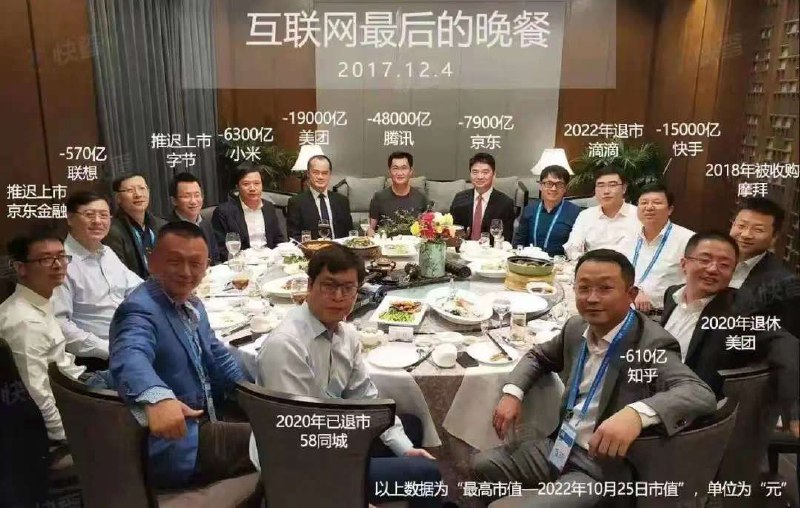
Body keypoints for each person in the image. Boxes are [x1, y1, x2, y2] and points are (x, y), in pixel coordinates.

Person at [471, 249, 716, 506]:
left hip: (601, 467)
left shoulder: (651, 344)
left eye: (605, 288)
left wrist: (635, 414)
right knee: (482, 465)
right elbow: (538, 356)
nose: (592, 298)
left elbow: (698, 392)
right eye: (584, 288)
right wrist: (513, 392)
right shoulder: (576, 327)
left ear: (631, 294)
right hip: (561, 446)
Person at [253, 244, 442, 507]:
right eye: (329, 286)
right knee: (426, 474)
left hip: (333, 436)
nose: (338, 297)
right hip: (299, 465)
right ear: (310, 285)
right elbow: (299, 433)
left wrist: (404, 449)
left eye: (348, 288)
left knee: (410, 428)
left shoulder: (346, 335)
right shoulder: (285, 345)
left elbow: (366, 400)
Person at [110, 221, 253, 488]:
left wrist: (253, 394)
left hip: (210, 416)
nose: (186, 272)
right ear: (152, 262)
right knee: (281, 442)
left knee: (286, 425)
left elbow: (217, 353)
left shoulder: (191, 302)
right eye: (175, 262)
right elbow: (130, 356)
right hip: (182, 440)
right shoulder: (139, 309)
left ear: (207, 265)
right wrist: (157, 397)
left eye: (196, 263)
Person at [661, 232, 798, 428]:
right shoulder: (672, 295)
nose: (713, 269)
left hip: (693, 419)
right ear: (684, 264)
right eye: (705, 260)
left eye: (724, 265)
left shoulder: (741, 310)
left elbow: (786, 345)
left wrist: (794, 413)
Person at [0, 231, 110, 444]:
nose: (58, 265)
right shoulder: (24, 322)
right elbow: (37, 392)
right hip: (75, 399)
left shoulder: (39, 300)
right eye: (46, 259)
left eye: (61, 256)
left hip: (81, 381)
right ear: (21, 268)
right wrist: (68, 437)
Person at [52, 192, 142, 363]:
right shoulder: (60, 263)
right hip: (99, 357)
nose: (98, 221)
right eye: (89, 215)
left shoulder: (107, 253)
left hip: (132, 339)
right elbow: (60, 324)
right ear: (70, 218)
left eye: (104, 215)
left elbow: (137, 288)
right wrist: (109, 350)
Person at [728, 197, 800, 340]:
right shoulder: (710, 261)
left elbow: (781, 341)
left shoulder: (784, 284)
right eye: (741, 226)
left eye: (758, 230)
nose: (746, 235)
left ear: (774, 237)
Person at [620, 183, 694, 314]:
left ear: (670, 209)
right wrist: (635, 290)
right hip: (626, 310)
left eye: (657, 202)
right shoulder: (628, 236)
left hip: (662, 314)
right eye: (644, 203)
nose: (649, 207)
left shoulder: (687, 240)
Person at [563, 167, 640, 260]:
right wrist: (586, 261)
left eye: (612, 185)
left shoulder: (639, 215)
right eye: (601, 185)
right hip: (593, 266)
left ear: (624, 188)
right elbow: (572, 247)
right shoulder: (586, 215)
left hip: (628, 267)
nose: (606, 191)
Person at [212, 165, 286, 258]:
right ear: (237, 187)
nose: (252, 188)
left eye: (257, 183)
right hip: (243, 262)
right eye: (246, 184)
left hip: (270, 260)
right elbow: (221, 249)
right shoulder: (224, 212)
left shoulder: (268, 207)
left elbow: (278, 239)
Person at [104, 172, 166, 279]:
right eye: (130, 190)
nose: (138, 194)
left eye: (142, 188)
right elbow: (119, 274)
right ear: (118, 197)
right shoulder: (111, 231)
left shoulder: (162, 226)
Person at [513, 165, 581, 255]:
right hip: (529, 260)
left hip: (559, 262)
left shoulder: (575, 213)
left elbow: (576, 248)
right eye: (549, 183)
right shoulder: (529, 209)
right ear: (541, 186)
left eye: (559, 184)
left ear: (565, 188)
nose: (553, 188)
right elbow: (519, 242)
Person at [449, 152, 516, 243]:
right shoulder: (460, 198)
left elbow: (506, 239)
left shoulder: (505, 203)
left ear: (494, 174)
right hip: (464, 249)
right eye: (475, 172)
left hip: (491, 251)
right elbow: (452, 231)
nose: (480, 177)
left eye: (485, 172)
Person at [286, 155, 353, 240]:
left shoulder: (342, 201)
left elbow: (350, 234)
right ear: (308, 174)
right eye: (316, 173)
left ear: (330, 174)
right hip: (311, 248)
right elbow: (294, 237)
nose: (320, 177)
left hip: (339, 247)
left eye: (325, 173)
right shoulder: (296, 202)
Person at [368, 151, 429, 233]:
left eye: (404, 168)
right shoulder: (378, 197)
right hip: (385, 240)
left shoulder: (421, 198)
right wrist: (370, 233)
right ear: (389, 172)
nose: (400, 173)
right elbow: (371, 228)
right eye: (395, 168)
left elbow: (427, 229)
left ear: (411, 171)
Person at [168, 172, 219, 263]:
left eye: (197, 195)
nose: (193, 201)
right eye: (186, 196)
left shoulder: (205, 223)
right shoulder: (167, 229)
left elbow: (215, 257)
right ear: (174, 200)